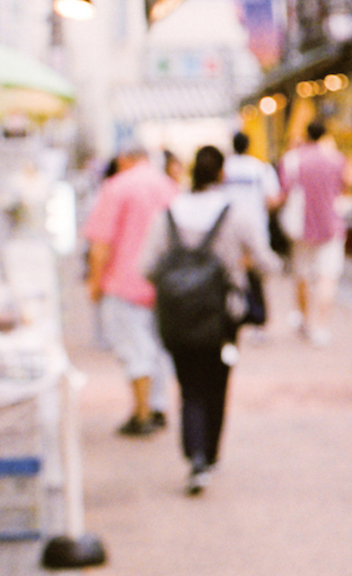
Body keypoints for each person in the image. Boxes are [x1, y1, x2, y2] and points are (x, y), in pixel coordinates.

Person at [140, 146, 281, 494]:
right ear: (221, 174)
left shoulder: (168, 213)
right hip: (222, 317)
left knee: (189, 387)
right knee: (217, 384)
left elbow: (146, 267)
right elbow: (265, 261)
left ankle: (196, 456)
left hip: (177, 318)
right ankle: (210, 453)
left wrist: (178, 280)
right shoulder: (236, 213)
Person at [83, 143, 179, 436]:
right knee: (158, 349)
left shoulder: (116, 187)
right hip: (163, 282)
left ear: (125, 159)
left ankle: (142, 413)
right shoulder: (168, 186)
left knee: (134, 349)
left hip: (125, 282)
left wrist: (94, 282)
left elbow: (101, 243)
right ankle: (157, 406)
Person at [276, 120, 352, 347]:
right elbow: (344, 186)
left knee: (302, 274)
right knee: (327, 277)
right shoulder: (337, 159)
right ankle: (321, 326)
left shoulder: (291, 159)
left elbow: (284, 191)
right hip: (331, 225)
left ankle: (305, 319)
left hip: (301, 227)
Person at [223, 132, 282, 338]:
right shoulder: (260, 168)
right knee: (258, 275)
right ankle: (258, 321)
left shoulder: (224, 168)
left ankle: (234, 319)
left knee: (231, 274)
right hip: (255, 228)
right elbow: (272, 200)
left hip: (227, 229)